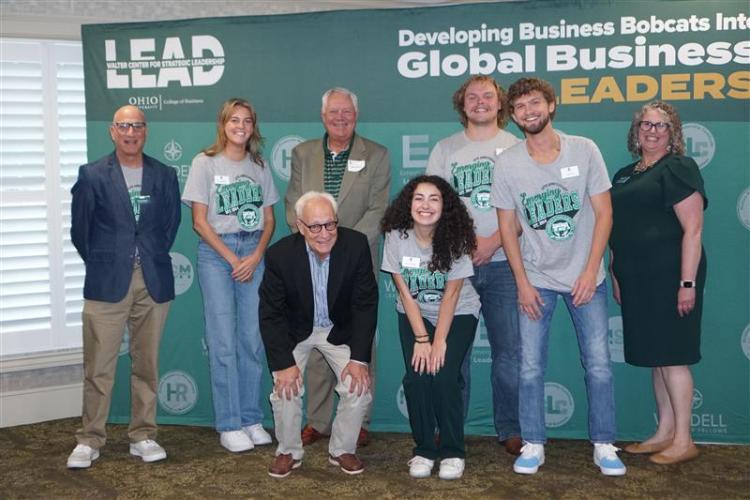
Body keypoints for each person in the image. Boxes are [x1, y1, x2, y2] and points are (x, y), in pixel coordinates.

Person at [491, 78, 626, 476]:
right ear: (512, 116)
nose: (528, 111)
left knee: (599, 364)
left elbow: (605, 213)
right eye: (519, 107)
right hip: (537, 278)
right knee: (530, 366)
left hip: (587, 277)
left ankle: (604, 443)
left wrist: (589, 270)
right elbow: (506, 227)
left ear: (551, 105)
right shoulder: (508, 162)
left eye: (535, 103)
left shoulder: (584, 150)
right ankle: (533, 442)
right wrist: (522, 282)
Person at [67, 105, 181, 468]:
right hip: (106, 280)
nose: (131, 132)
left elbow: (169, 225)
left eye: (137, 125)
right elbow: (80, 231)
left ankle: (143, 435)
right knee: (98, 366)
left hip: (153, 279)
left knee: (147, 364)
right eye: (123, 126)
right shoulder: (92, 174)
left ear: (145, 131)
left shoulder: (164, 174)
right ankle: (89, 439)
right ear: (112, 131)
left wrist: (144, 256)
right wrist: (107, 259)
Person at [284, 87, 390, 447]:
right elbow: (292, 205)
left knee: (359, 341)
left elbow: (378, 209)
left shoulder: (376, 154)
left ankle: (359, 419)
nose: (340, 118)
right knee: (315, 341)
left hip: (357, 262)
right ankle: (317, 419)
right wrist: (316, 242)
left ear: (355, 116)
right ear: (323, 116)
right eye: (334, 113)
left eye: (347, 113)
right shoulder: (303, 153)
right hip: (311, 262)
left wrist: (343, 248)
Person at [425, 75, 523, 456]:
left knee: (509, 352)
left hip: (503, 263)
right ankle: (450, 427)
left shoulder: (517, 147)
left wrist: (493, 241)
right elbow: (432, 206)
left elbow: (524, 205)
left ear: (500, 104)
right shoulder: (446, 149)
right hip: (456, 267)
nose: (479, 102)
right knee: (452, 353)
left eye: (487, 96)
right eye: (471, 97)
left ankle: (511, 428)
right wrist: (466, 248)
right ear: (461, 104)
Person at [610, 101, 707, 465]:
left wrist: (687, 282)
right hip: (635, 276)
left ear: (673, 133)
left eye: (661, 125)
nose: (652, 130)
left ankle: (684, 439)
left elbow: (693, 230)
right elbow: (617, 229)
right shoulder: (624, 174)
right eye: (645, 124)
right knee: (657, 358)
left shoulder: (679, 168)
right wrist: (616, 271)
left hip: (671, 272)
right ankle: (664, 432)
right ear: (636, 131)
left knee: (674, 354)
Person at [182, 98, 278, 452]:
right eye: (234, 120)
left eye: (247, 121)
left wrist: (254, 256)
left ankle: (251, 417)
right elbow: (198, 221)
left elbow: (269, 220)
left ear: (254, 127)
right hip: (216, 254)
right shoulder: (204, 162)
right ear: (223, 124)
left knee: (251, 339)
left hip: (252, 253)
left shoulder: (259, 165)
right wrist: (231, 258)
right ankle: (228, 422)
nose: (241, 126)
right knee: (222, 340)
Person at [260, 191, 378, 478]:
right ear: (301, 226)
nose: (324, 234)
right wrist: (283, 364)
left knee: (358, 386)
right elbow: (271, 315)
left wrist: (360, 360)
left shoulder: (356, 245)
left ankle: (342, 450)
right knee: (285, 387)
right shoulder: (279, 255)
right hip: (296, 330)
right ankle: (288, 451)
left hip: (338, 328)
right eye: (315, 226)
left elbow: (365, 304)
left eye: (330, 224)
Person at [381, 175, 480, 480]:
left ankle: (452, 450)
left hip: (458, 312)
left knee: (445, 373)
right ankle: (424, 448)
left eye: (434, 198)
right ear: (408, 204)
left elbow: (451, 295)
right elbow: (405, 293)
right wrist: (422, 339)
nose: (426, 205)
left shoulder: (458, 237)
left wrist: (439, 342)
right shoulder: (396, 236)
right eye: (419, 198)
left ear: (445, 205)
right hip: (414, 313)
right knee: (417, 376)